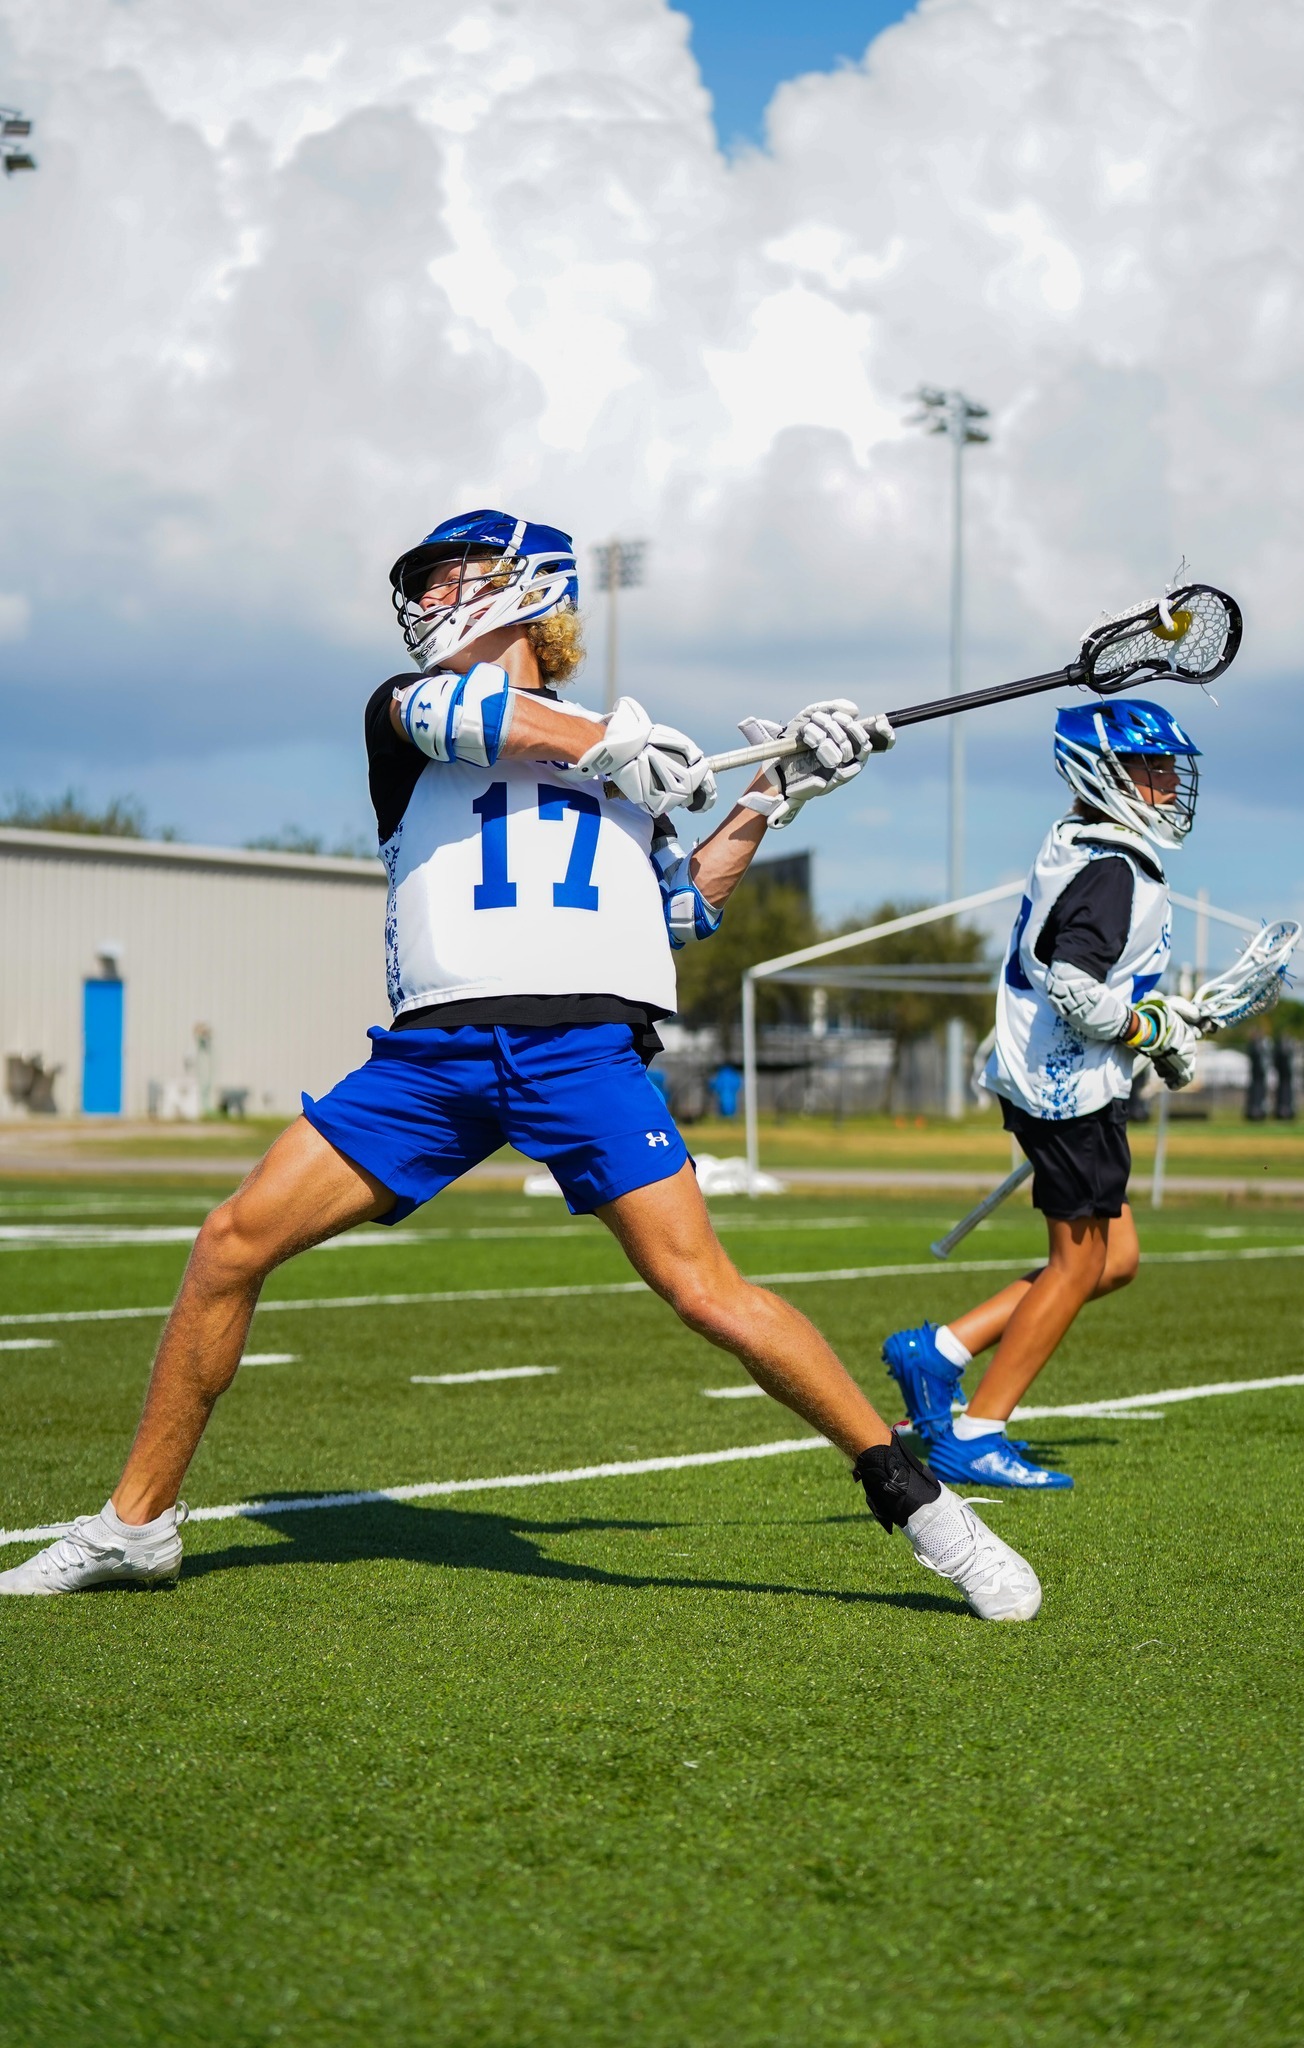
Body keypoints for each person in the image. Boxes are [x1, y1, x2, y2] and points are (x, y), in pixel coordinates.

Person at [2, 509, 1040, 1620]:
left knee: (707, 1291)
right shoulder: (413, 716)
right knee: (227, 1243)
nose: (433, 598)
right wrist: (616, 744)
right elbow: (474, 716)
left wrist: (773, 789)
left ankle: (925, 1504)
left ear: (531, 589)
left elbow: (676, 910)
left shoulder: (630, 754)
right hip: (434, 1054)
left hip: (579, 1047)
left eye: (457, 576)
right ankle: (136, 1524)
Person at [884, 698, 1202, 1489]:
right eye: (1151, 769)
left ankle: (940, 1351)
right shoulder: (1111, 868)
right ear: (1105, 775)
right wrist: (1147, 1031)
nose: (1167, 783)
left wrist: (1150, 1023)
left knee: (1112, 1259)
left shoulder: (1084, 842)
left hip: (1055, 1077)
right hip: (1065, 1088)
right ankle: (979, 1429)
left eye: (1167, 768)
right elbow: (1072, 986)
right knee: (1076, 1262)